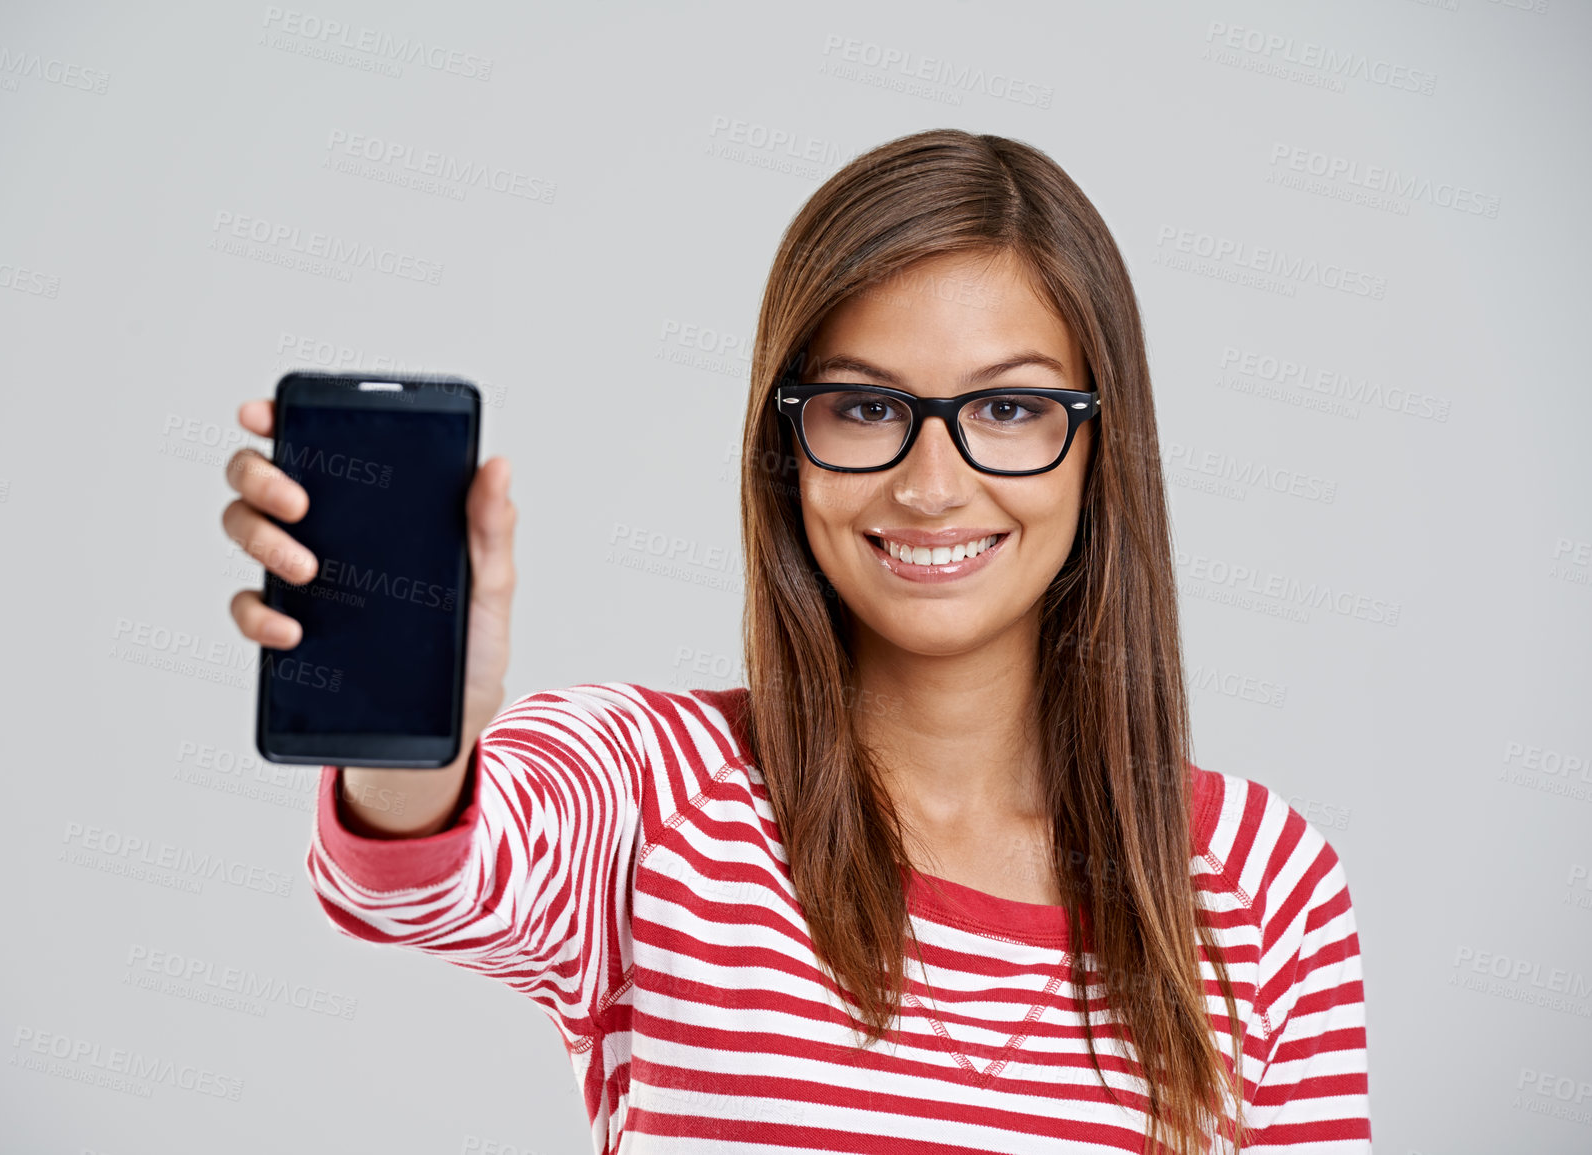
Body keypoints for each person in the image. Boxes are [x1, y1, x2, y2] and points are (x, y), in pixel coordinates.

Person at [221, 129, 1371, 1154]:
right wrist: (419, 722)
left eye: (1010, 409)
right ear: (790, 444)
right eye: (866, 407)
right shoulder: (654, 787)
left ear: (1099, 446)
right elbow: (416, 882)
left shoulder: (1261, 887)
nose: (933, 485)